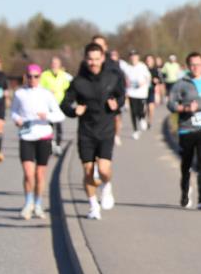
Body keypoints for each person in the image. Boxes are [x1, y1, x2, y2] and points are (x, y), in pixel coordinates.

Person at [62, 43, 125, 220]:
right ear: (85, 59)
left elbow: (121, 95)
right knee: (88, 171)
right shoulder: (78, 82)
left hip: (106, 130)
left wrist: (117, 104)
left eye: (97, 59)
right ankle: (93, 205)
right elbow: (64, 103)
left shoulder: (112, 77)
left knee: (104, 169)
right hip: (86, 132)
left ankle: (107, 186)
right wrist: (74, 111)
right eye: (90, 59)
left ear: (103, 58)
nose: (93, 62)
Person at [11, 64, 66, 219]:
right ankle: (28, 203)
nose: (32, 79)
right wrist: (17, 119)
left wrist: (46, 116)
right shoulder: (20, 94)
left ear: (40, 77)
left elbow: (60, 115)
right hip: (26, 136)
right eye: (29, 76)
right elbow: (13, 112)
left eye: (36, 76)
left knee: (39, 175)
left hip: (44, 136)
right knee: (28, 174)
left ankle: (38, 203)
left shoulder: (46, 94)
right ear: (25, 77)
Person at [167, 52, 201, 209]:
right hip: (186, 130)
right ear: (188, 67)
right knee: (186, 164)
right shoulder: (181, 84)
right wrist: (185, 108)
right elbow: (171, 104)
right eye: (192, 65)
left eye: (198, 64)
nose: (196, 67)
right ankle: (185, 192)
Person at [39, 56, 73, 155]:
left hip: (60, 103)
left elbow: (70, 86)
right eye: (53, 63)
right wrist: (47, 91)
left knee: (59, 126)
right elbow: (39, 87)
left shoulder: (64, 75)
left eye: (56, 64)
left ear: (60, 65)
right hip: (48, 105)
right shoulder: (45, 75)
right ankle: (49, 145)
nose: (54, 65)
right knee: (49, 126)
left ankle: (57, 145)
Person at [120, 49, 152, 139]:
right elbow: (119, 66)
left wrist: (144, 82)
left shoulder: (142, 66)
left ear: (138, 57)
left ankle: (142, 118)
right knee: (133, 112)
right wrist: (125, 81)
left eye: (135, 56)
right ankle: (135, 130)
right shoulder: (127, 67)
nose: (133, 58)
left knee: (140, 110)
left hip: (142, 93)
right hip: (131, 93)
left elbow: (148, 77)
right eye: (132, 57)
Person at [145, 54, 162, 128]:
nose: (149, 62)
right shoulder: (143, 69)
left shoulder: (155, 70)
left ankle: (150, 121)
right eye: (147, 60)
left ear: (152, 61)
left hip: (151, 90)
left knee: (150, 107)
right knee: (144, 108)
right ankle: (143, 119)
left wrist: (156, 81)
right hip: (142, 91)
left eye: (150, 60)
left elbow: (160, 81)